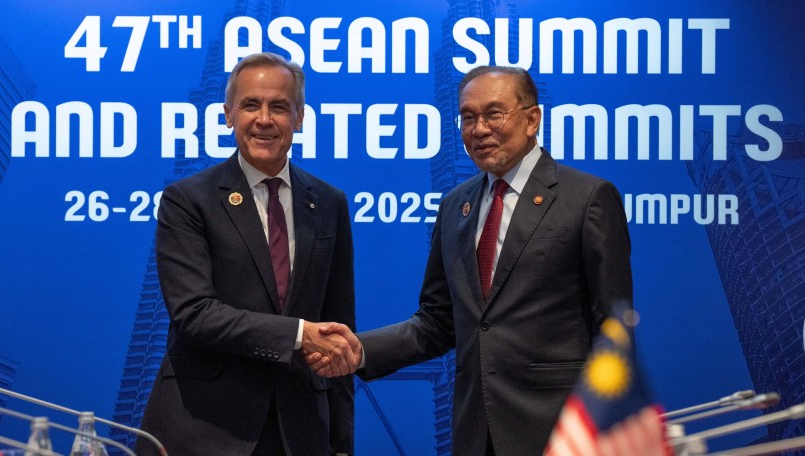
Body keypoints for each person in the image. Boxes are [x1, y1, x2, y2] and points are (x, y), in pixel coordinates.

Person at [308, 65, 632, 456]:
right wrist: (360, 349)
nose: (479, 129)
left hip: (563, 432)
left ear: (532, 119)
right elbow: (438, 322)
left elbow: (613, 328)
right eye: (467, 117)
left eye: (494, 114)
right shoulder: (455, 207)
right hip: (476, 433)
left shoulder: (587, 198)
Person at [138, 52, 357, 456]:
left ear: (299, 117)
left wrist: (341, 444)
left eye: (279, 106)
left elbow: (338, 331)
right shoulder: (188, 200)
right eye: (251, 105)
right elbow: (194, 314)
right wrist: (298, 335)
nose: (264, 119)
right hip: (204, 430)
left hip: (299, 433)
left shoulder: (330, 203)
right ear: (228, 115)